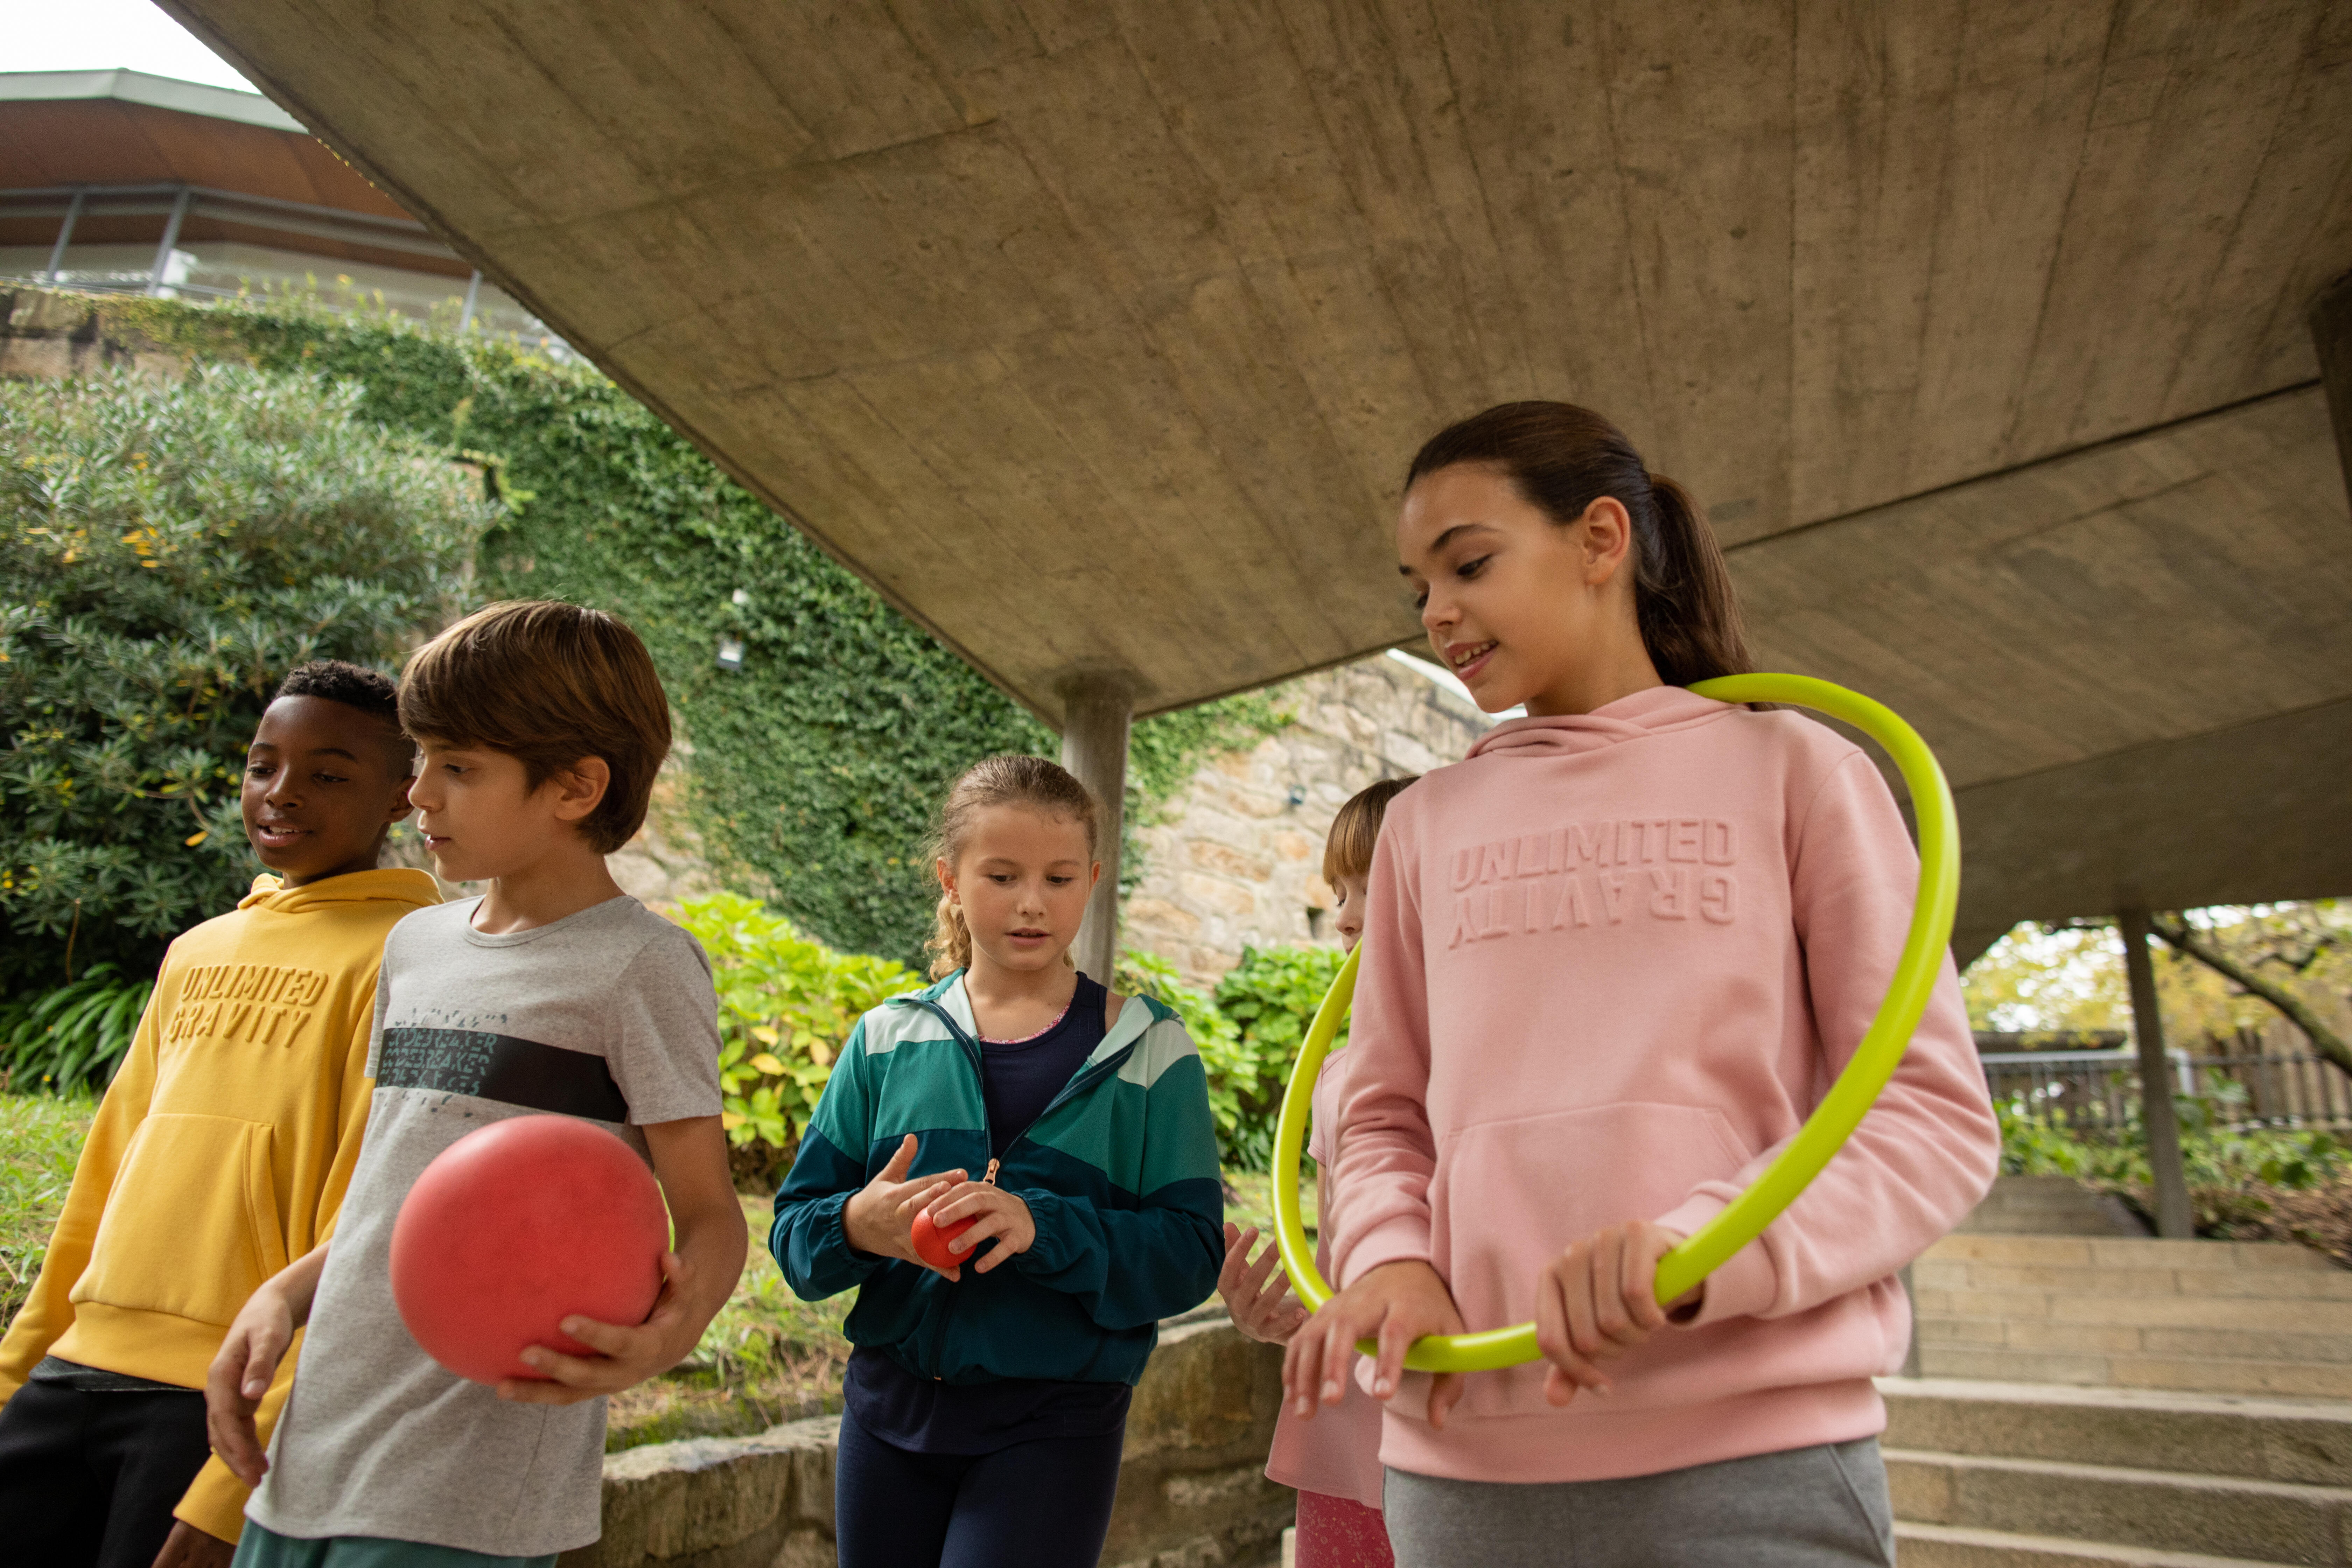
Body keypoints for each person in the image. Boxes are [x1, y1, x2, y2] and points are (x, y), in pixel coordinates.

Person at [1283, 402, 2000, 1567]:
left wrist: (1699, 1254)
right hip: (1459, 1471)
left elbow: (1923, 1117)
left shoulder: (1800, 770)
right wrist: (1393, 1262)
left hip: (1753, 1461)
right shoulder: (1421, 827)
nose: (1437, 613)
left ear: (1602, 540)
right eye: (1417, 585)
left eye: (1469, 564)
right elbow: (1376, 1114)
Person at [203, 601, 746, 1568]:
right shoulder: (413, 947)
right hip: (307, 1464)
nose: (419, 797)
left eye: (458, 767)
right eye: (420, 761)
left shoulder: (641, 967)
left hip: (468, 1496)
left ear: (577, 786)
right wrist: (280, 1301)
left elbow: (710, 1214)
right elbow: (392, 1196)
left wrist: (667, 1337)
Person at [0, 660, 437, 1568]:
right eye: (261, 765)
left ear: (404, 796)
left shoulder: (411, 964)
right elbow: (103, 1178)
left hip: (218, 1398)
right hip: (73, 1367)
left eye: (328, 774)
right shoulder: (196, 950)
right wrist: (15, 1375)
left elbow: (364, 1231)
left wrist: (232, 1486)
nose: (281, 794)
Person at [772, 755, 1224, 1568]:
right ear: (950, 878)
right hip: (885, 1415)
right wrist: (858, 1224)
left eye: (1057, 878)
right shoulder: (885, 1038)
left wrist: (1040, 1224)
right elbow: (795, 1238)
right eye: (1001, 874)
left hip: (1057, 1424)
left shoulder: (1151, 1050)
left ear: (1090, 881)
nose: (1030, 902)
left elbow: (1191, 1254)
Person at [1220, 777, 1414, 1568]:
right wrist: (1287, 1317)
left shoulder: (1512, 1066)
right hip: (1349, 1437)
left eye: (1375, 883)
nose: (1345, 916)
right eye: (1340, 890)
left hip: (1472, 1436)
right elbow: (1341, 1261)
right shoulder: (1336, 1075)